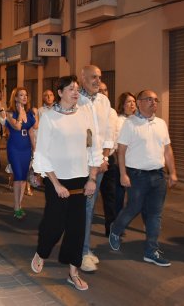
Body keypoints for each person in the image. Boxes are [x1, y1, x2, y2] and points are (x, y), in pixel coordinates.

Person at [31, 75, 102, 291]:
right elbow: (42, 154)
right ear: (59, 92)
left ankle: (73, 272)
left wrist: (92, 178)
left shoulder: (85, 116)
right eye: (70, 88)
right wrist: (56, 184)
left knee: (77, 230)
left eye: (77, 89)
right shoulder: (50, 118)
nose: (75, 92)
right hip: (57, 180)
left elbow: (92, 147)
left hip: (81, 180)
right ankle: (42, 252)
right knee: (54, 226)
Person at [109, 89, 178, 267]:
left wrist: (173, 172)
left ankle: (151, 251)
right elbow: (121, 151)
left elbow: (167, 150)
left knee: (155, 214)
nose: (154, 102)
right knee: (133, 208)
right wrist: (123, 174)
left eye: (156, 100)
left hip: (158, 175)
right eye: (149, 99)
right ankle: (115, 230)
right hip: (136, 175)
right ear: (139, 103)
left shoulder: (161, 124)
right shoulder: (130, 124)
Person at [77, 66, 113, 272]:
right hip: (81, 164)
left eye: (100, 77)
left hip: (99, 164)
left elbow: (108, 132)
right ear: (83, 78)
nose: (97, 81)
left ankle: (83, 248)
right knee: (84, 208)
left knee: (88, 208)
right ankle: (81, 252)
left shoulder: (104, 101)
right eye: (93, 77)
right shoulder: (76, 100)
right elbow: (84, 134)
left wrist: (105, 157)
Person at [101, 91, 136, 237]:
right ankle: (113, 226)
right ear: (122, 105)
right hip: (119, 163)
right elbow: (115, 141)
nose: (132, 104)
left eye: (134, 101)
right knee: (116, 197)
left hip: (134, 164)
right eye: (129, 102)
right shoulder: (119, 120)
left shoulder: (137, 120)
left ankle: (119, 223)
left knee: (131, 198)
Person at [5, 87, 38, 219]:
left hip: (26, 148)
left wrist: (34, 148)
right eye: (21, 95)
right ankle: (16, 206)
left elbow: (31, 130)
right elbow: (18, 127)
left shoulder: (29, 113)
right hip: (14, 147)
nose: (24, 97)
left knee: (23, 178)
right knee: (18, 176)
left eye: (26, 95)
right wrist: (19, 112)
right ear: (16, 98)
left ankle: (20, 204)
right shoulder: (10, 113)